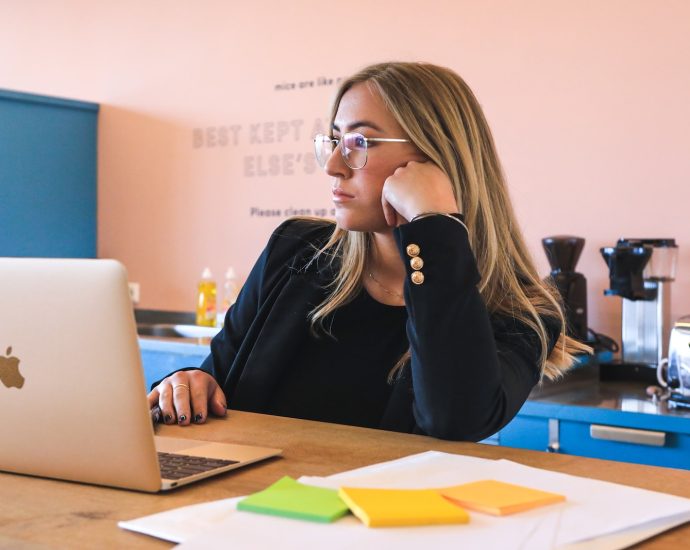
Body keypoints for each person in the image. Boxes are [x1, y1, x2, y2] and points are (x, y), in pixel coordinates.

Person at [147, 61, 590, 441]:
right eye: (334, 140)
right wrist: (191, 383)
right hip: (248, 513)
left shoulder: (520, 311)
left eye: (360, 142)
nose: (335, 165)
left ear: (435, 159)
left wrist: (434, 226)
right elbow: (216, 378)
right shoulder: (295, 251)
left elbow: (456, 421)